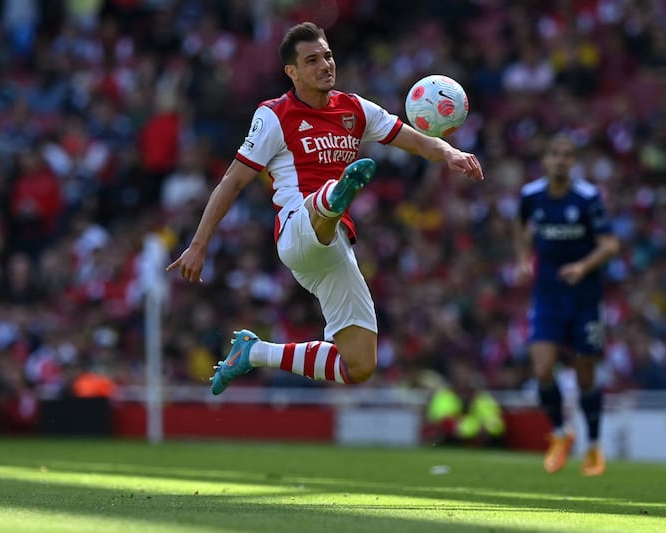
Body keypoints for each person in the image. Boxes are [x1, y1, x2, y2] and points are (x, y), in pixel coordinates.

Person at [166, 22, 483, 395]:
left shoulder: (354, 109)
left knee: (360, 365)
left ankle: (255, 353)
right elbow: (232, 181)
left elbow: (418, 141)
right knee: (326, 196)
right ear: (292, 72)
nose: (325, 65)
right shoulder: (273, 115)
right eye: (312, 60)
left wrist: (451, 152)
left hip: (334, 251)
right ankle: (334, 196)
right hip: (297, 230)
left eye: (328, 56)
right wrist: (199, 244)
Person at [512, 133, 619, 476]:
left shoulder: (588, 199)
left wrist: (583, 267)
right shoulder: (531, 196)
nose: (560, 160)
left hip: (584, 297)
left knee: (585, 372)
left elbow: (610, 245)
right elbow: (520, 227)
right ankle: (560, 433)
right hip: (547, 296)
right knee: (543, 368)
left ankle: (593, 446)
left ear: (574, 162)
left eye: (567, 155)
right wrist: (522, 259)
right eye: (554, 154)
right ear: (545, 159)